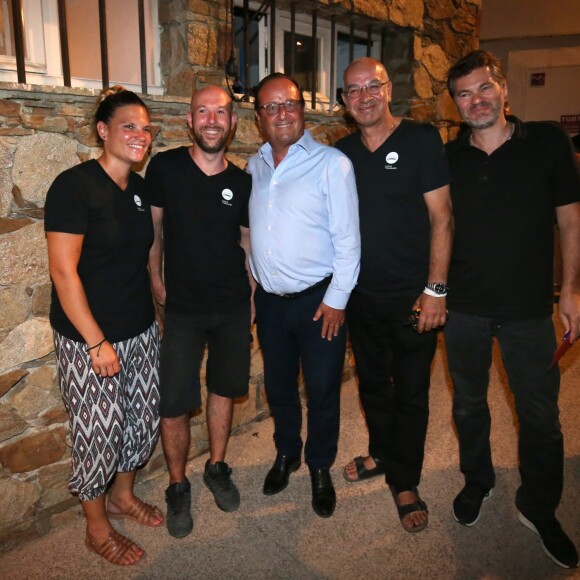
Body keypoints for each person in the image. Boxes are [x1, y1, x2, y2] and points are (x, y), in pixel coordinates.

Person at [445, 50, 580, 569]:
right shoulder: (449, 156)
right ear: (455, 103)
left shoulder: (547, 141)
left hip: (528, 309)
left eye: (483, 88)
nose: (475, 99)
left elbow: (570, 222)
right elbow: (441, 227)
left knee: (542, 417)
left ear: (502, 88)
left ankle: (540, 506)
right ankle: (478, 481)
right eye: (464, 93)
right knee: (467, 407)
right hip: (466, 310)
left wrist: (569, 291)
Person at [45, 86, 163, 566]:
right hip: (89, 340)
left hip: (139, 330)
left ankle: (123, 496)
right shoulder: (73, 186)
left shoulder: (138, 190)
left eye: (146, 128)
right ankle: (96, 527)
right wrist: (97, 342)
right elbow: (63, 271)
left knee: (139, 421)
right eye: (129, 126)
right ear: (103, 130)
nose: (140, 135)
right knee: (98, 431)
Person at [335, 57, 453, 533]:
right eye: (353, 91)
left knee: (411, 390)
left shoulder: (421, 140)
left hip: (413, 297)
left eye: (372, 86)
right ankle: (382, 453)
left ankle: (405, 480)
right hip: (362, 296)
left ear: (387, 90)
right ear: (344, 102)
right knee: (370, 385)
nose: (363, 97)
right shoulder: (342, 153)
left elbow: (442, 218)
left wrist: (436, 289)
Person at [248, 73, 360, 518]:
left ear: (302, 109)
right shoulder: (253, 166)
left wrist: (337, 299)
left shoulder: (332, 164)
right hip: (272, 304)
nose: (281, 114)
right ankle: (287, 452)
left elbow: (349, 240)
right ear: (258, 117)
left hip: (320, 302)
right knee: (279, 388)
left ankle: (319, 465)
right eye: (270, 107)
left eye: (288, 104)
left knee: (323, 389)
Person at [146, 85, 253, 538]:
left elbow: (247, 242)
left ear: (232, 123)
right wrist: (155, 280)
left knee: (224, 390)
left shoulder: (243, 180)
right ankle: (176, 486)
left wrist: (250, 296)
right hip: (183, 309)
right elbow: (152, 231)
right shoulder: (165, 167)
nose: (212, 119)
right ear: (189, 121)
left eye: (221, 112)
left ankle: (216, 466)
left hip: (231, 307)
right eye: (203, 112)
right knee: (173, 403)